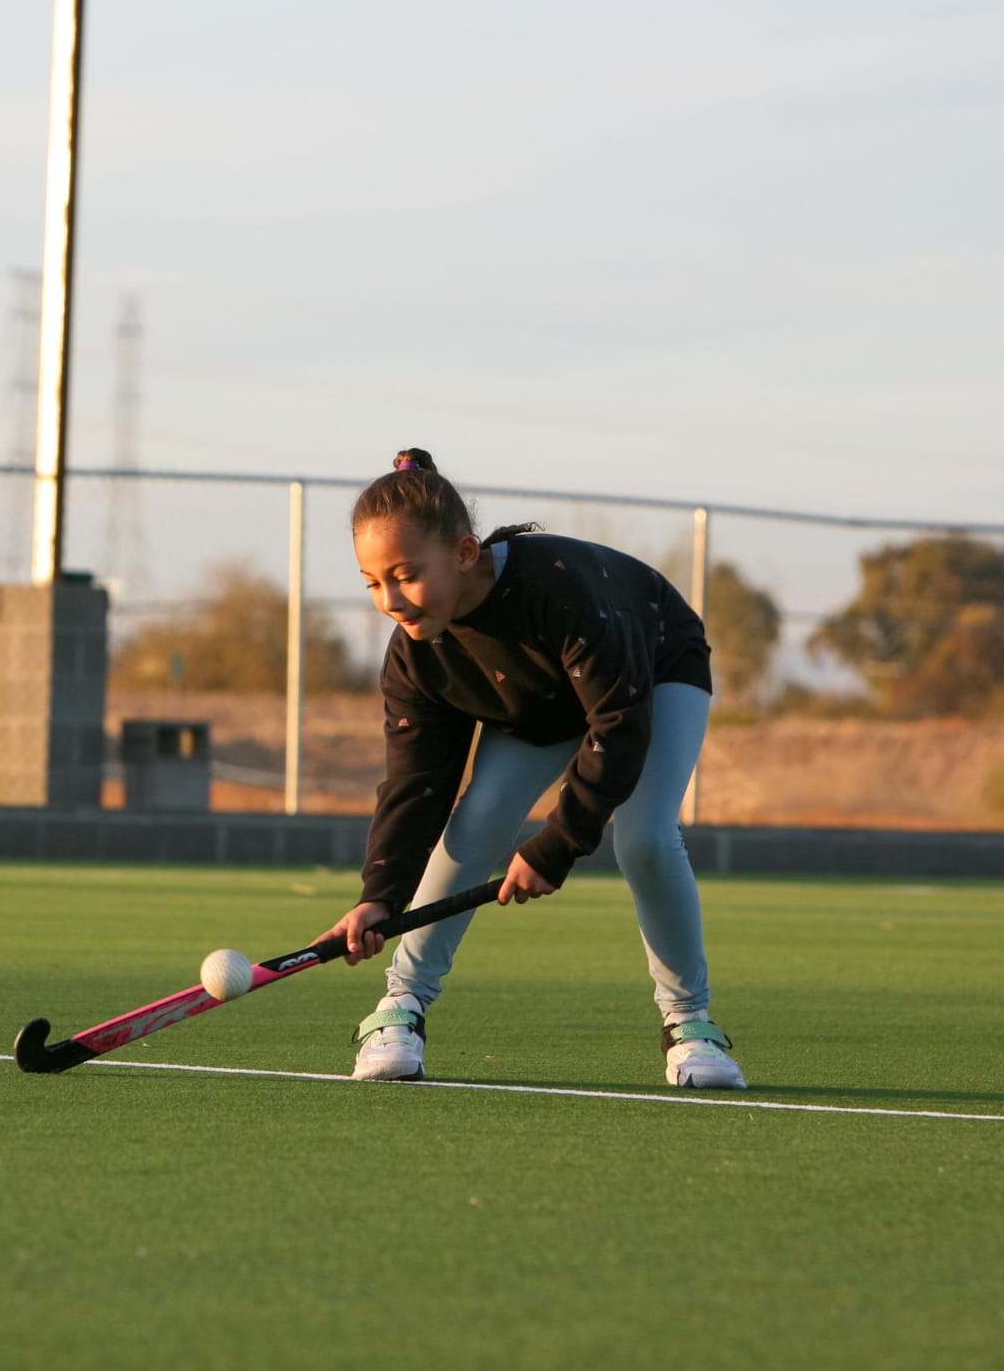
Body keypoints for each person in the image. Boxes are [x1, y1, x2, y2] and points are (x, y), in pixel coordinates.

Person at [316, 448, 746, 1089]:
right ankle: (399, 1010)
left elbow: (619, 726)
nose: (390, 600)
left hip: (652, 673)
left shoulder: (561, 591)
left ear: (465, 553)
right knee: (477, 822)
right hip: (538, 704)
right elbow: (416, 785)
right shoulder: (416, 655)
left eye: (405, 574)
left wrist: (557, 844)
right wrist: (379, 896)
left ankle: (689, 1023)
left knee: (647, 837)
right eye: (373, 582)